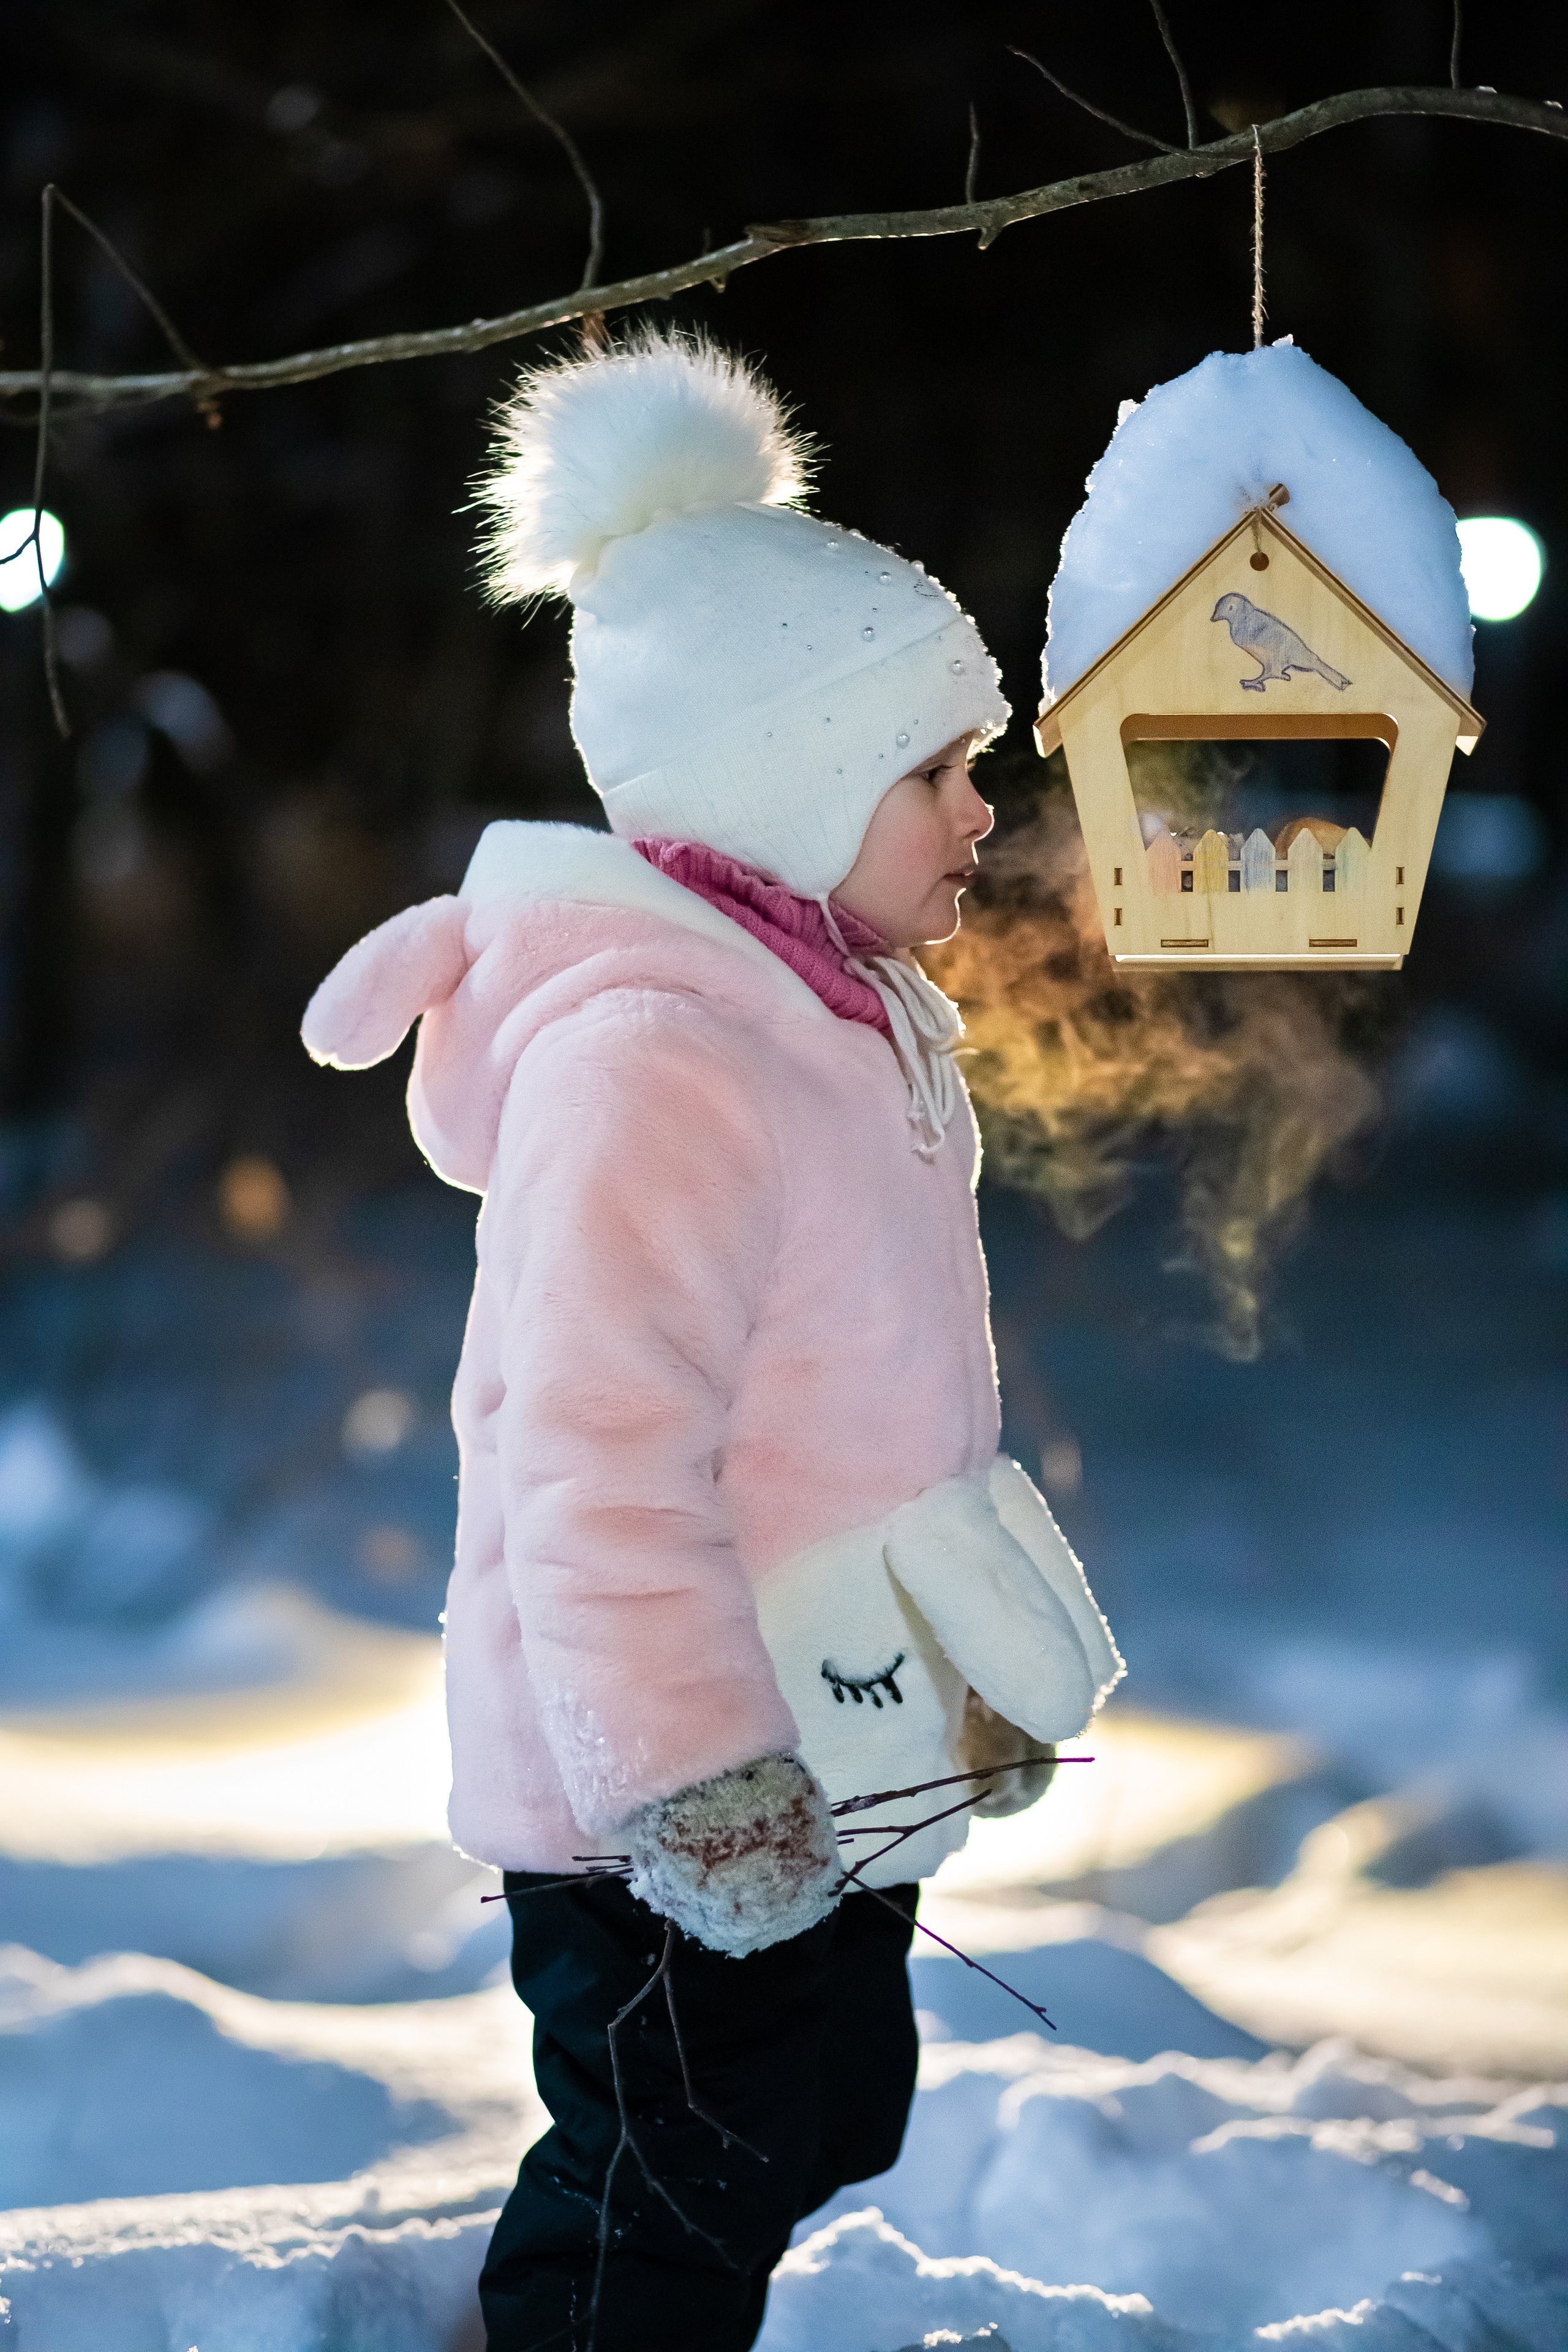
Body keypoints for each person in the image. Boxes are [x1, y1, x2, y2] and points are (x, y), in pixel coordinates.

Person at [302, 330, 1121, 2352]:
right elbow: (592, 1464)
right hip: (668, 1787)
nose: (978, 812)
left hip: (826, 1732)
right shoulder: (659, 1069)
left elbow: (856, 1424)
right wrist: (692, 1786)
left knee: (822, 2106)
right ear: (788, 783)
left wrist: (958, 1675)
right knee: (676, 2171)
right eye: (936, 771)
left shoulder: (833, 1021)